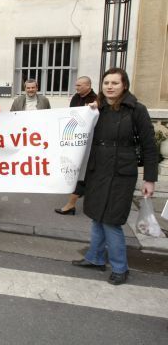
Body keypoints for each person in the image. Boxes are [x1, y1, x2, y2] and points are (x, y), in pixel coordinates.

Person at [72, 68, 157, 285]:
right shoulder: (97, 108)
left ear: (124, 86)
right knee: (97, 217)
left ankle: (120, 267)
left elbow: (149, 146)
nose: (109, 86)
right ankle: (95, 258)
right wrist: (88, 112)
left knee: (111, 221)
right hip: (98, 171)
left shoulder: (136, 109)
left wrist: (150, 179)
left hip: (121, 174)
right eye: (106, 83)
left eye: (115, 83)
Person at [55, 76, 97, 215]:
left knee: (81, 172)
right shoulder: (75, 98)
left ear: (88, 85)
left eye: (79, 85)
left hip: (88, 141)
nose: (76, 87)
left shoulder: (95, 100)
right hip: (74, 139)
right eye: (76, 85)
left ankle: (70, 204)